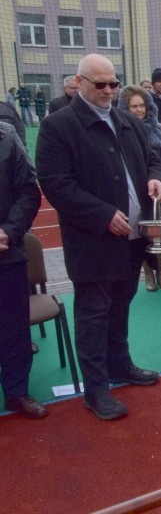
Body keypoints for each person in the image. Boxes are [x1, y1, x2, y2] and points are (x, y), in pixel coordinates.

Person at [36, 53, 161, 420]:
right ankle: (96, 390)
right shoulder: (58, 126)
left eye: (113, 83)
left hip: (132, 237)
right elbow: (56, 185)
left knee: (122, 304)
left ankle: (119, 364)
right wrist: (103, 214)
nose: (110, 90)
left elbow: (154, 159)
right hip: (92, 242)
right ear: (79, 83)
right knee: (94, 314)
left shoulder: (127, 120)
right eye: (101, 84)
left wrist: (155, 177)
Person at [0, 121, 44, 419]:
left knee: (14, 328)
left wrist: (8, 232)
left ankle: (17, 392)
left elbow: (29, 191)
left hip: (6, 251)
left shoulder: (6, 136)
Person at [117, 85, 161, 292]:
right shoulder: (121, 130)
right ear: (126, 108)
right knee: (141, 233)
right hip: (135, 190)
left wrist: (160, 176)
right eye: (134, 106)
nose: (139, 110)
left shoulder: (158, 127)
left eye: (142, 105)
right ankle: (148, 273)